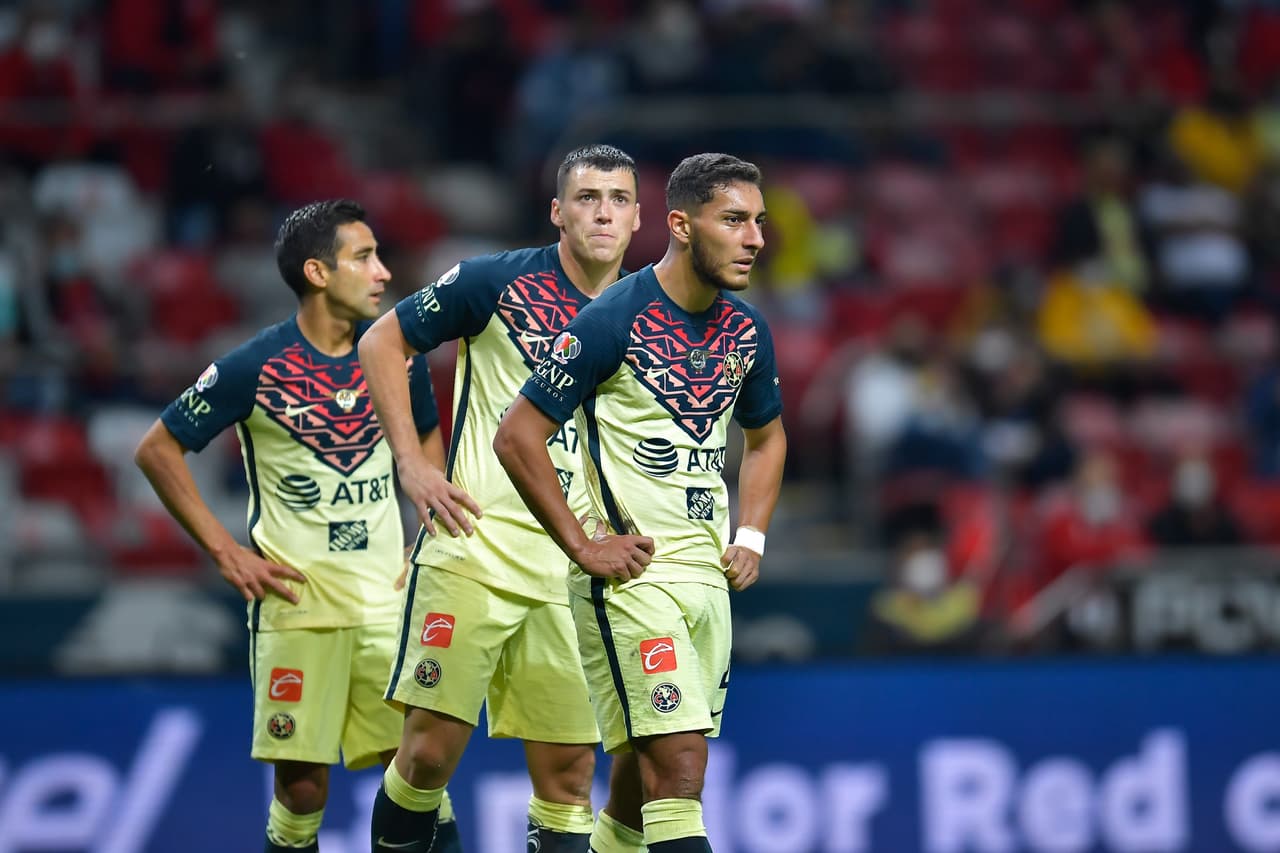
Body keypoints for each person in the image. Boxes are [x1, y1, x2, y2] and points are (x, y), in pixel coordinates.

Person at [133, 199, 461, 853]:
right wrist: (226, 551)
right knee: (303, 788)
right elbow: (157, 448)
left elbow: (426, 443)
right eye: (364, 257)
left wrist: (425, 530)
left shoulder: (397, 359)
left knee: (421, 767)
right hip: (296, 608)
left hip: (385, 603)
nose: (383, 272)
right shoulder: (254, 365)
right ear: (316, 272)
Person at [494, 153, 787, 852]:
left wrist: (752, 534)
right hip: (631, 582)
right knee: (681, 767)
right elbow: (517, 436)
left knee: (637, 782)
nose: (755, 239)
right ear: (682, 225)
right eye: (735, 220)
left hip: (706, 579)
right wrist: (582, 545)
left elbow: (768, 438)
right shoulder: (612, 317)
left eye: (759, 222)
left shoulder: (747, 331)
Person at [359, 145, 648, 853]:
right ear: (557, 211)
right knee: (426, 754)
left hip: (578, 572)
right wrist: (413, 465)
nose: (602, 211)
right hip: (474, 550)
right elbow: (380, 341)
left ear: (639, 217)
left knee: (571, 777)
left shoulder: (653, 315)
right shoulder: (496, 282)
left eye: (617, 198)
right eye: (586, 197)